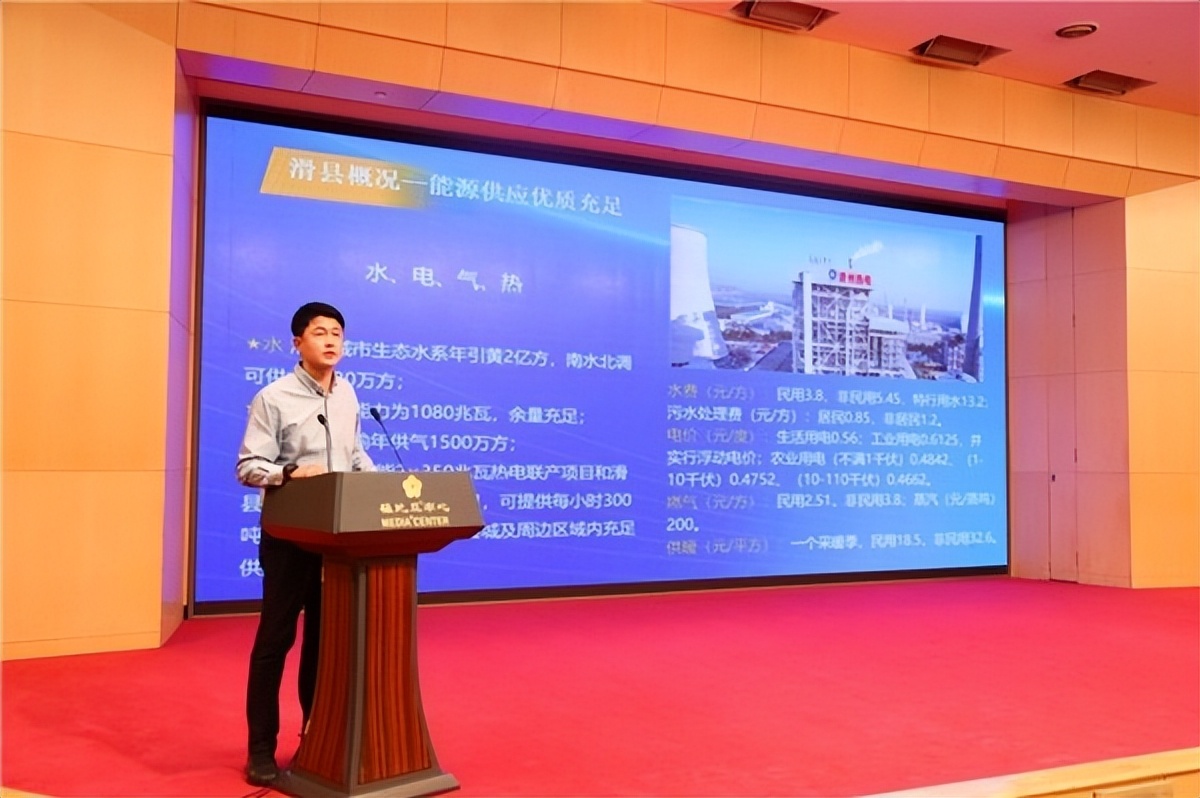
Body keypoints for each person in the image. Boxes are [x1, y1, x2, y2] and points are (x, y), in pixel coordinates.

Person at [236, 301, 374, 786]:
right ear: (298, 342)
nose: (331, 340)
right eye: (320, 332)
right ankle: (260, 749)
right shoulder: (273, 397)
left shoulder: (348, 394)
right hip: (289, 537)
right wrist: (290, 472)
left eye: (338, 332)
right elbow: (248, 466)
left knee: (323, 642)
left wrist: (382, 487)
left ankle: (316, 737)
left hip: (336, 539)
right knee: (276, 641)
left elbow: (355, 456)